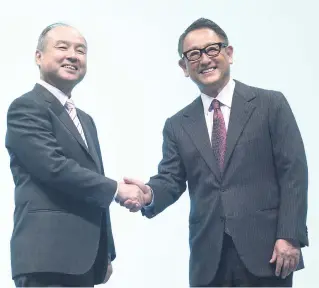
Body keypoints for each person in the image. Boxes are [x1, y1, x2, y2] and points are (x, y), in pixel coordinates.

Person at [122, 18, 309, 287]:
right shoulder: (177, 125)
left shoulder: (271, 105)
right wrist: (149, 194)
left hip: (267, 252)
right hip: (208, 260)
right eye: (194, 54)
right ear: (184, 67)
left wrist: (290, 236)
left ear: (229, 54)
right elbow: (171, 179)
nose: (205, 59)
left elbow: (294, 174)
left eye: (212, 49)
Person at [5, 23, 145, 287]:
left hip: (84, 261)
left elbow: (92, 183)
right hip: (46, 258)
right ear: (38, 56)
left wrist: (105, 251)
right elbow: (54, 168)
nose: (73, 55)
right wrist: (117, 189)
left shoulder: (85, 120)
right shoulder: (26, 107)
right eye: (62, 47)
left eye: (81, 50)